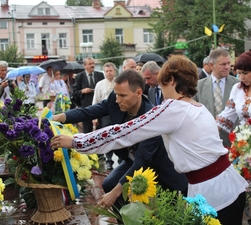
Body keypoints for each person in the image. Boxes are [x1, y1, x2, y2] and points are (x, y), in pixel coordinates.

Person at [51, 55, 248, 225]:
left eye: (162, 85)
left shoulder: (173, 108)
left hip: (213, 193)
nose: (161, 92)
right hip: (228, 185)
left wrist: (77, 142)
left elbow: (124, 132)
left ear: (171, 80)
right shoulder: (197, 106)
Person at [52, 69, 188, 213]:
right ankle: (124, 220)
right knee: (110, 184)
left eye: (122, 95)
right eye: (116, 94)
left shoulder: (151, 117)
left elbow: (142, 161)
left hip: (158, 167)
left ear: (139, 93)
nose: (117, 100)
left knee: (168, 212)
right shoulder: (115, 100)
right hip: (131, 159)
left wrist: (116, 192)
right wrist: (59, 117)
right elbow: (90, 111)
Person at [193, 48, 239, 147]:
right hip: (208, 142)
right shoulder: (199, 86)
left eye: (228, 63)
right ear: (211, 65)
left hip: (234, 142)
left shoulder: (238, 85)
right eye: (223, 64)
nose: (227, 67)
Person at [92, 62, 117, 170]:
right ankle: (109, 160)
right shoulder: (100, 84)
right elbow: (96, 101)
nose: (108, 73)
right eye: (106, 71)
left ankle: (122, 160)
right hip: (105, 113)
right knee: (107, 136)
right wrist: (94, 116)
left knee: (119, 134)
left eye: (110, 71)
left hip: (118, 111)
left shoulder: (119, 82)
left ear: (114, 71)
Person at [72, 57, 104, 133]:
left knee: (100, 130)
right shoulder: (79, 77)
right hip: (86, 108)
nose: (92, 65)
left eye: (93, 63)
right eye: (90, 64)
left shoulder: (100, 75)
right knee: (87, 131)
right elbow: (74, 93)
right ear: (85, 66)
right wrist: (83, 91)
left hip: (98, 106)